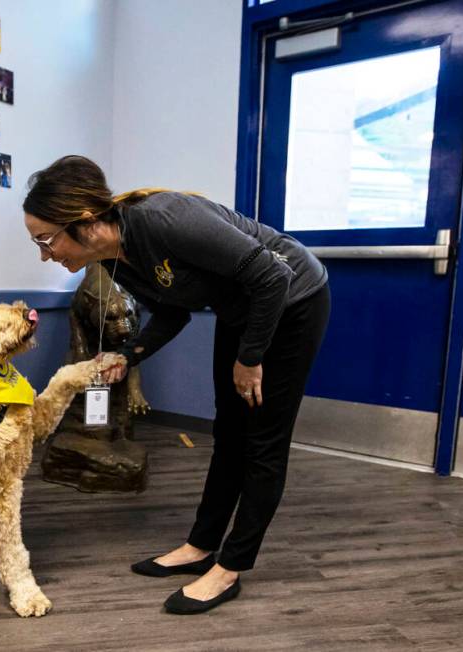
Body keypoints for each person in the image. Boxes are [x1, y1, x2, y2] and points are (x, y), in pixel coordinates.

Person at [22, 155, 330, 615]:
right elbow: (173, 311)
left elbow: (273, 276)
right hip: (243, 310)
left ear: (84, 222)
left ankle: (230, 567)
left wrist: (250, 358)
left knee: (262, 442)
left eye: (46, 240)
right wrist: (129, 356)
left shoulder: (163, 219)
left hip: (292, 302)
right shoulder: (115, 258)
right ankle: (201, 546)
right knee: (228, 433)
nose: (46, 254)